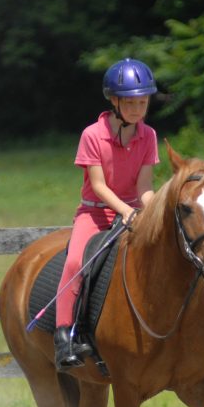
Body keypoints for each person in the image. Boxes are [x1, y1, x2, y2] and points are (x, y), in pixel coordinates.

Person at [54, 58, 159, 371]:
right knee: (75, 264)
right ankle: (65, 337)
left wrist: (154, 209)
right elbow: (98, 186)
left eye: (143, 102)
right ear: (114, 101)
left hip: (133, 213)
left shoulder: (148, 135)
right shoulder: (92, 135)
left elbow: (144, 186)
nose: (138, 109)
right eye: (130, 103)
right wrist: (126, 210)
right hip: (96, 213)